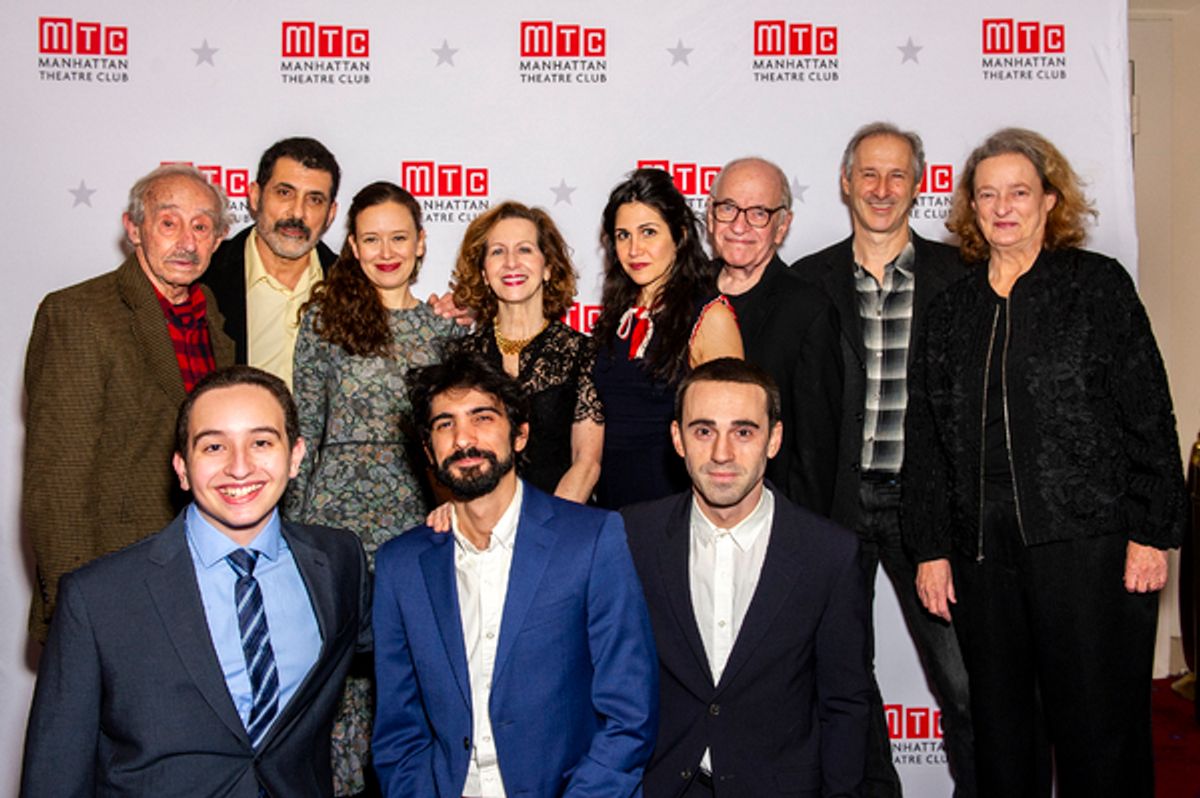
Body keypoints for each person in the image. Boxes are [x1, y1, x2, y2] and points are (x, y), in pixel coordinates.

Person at [904, 127, 1186, 798]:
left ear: (1051, 200)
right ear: (970, 208)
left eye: (1020, 192)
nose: (1003, 207)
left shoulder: (1096, 287)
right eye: (987, 194)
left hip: (1088, 547)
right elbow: (927, 441)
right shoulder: (950, 311)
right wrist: (930, 547)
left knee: (1100, 730)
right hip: (981, 554)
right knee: (1002, 733)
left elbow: (1149, 414)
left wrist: (1153, 531)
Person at [21, 365, 371, 797]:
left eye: (261, 442)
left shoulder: (338, 562)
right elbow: (55, 774)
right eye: (213, 447)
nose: (239, 467)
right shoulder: (97, 599)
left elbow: (420, 636)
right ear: (182, 468)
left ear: (295, 455)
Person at [371, 351, 658, 797]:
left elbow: (629, 714)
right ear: (428, 449)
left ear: (519, 434)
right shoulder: (399, 566)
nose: (464, 438)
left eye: (482, 417)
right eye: (445, 424)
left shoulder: (591, 539)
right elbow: (397, 730)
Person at [793, 122, 974, 797]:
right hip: (837, 508)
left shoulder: (961, 277)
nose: (881, 188)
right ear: (845, 182)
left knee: (963, 681)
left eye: (897, 175)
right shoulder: (808, 283)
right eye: (868, 173)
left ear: (919, 185)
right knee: (844, 679)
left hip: (929, 511)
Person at [623, 357, 870, 797]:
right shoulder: (629, 537)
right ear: (677, 438)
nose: (722, 453)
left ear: (773, 439)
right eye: (703, 431)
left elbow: (846, 704)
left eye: (743, 431)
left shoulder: (828, 553)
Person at [284, 180, 460, 797]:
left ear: (420, 244)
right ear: (353, 247)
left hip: (418, 517)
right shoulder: (323, 319)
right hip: (333, 521)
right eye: (371, 239)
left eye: (399, 237)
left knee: (410, 670)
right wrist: (292, 527)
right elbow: (302, 425)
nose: (386, 251)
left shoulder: (446, 331)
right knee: (333, 679)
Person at [22, 163, 235, 643]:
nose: (187, 240)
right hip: (112, 583)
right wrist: (76, 609)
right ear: (134, 228)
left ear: (218, 239)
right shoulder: (79, 314)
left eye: (202, 226)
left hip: (199, 580)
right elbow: (57, 482)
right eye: (169, 222)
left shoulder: (211, 320)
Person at [592, 167, 743, 509]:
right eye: (623, 235)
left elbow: (728, 429)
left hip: (674, 505)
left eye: (648, 232)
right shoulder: (617, 315)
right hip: (609, 502)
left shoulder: (710, 315)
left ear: (681, 236)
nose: (634, 249)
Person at [706, 157, 842, 514]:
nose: (739, 225)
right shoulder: (682, 295)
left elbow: (815, 447)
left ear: (782, 226)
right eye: (729, 208)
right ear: (710, 214)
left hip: (771, 515)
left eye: (758, 213)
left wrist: (800, 537)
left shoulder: (808, 309)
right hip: (689, 513)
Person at [449, 201, 603, 501]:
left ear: (547, 267)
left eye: (524, 249)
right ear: (483, 272)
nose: (511, 263)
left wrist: (546, 530)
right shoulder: (461, 356)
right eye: (497, 252)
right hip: (483, 526)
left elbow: (586, 462)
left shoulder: (582, 352)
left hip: (562, 523)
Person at [203, 136, 340, 388]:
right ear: (255, 197)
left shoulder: (355, 284)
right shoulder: (205, 277)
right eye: (284, 193)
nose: (298, 213)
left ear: (330, 214)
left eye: (314, 200)